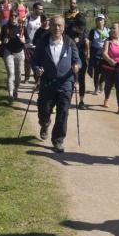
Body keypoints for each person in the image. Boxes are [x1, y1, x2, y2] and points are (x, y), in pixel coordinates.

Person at [31, 15, 81, 152]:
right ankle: (45, 123)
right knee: (44, 110)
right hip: (47, 82)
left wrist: (76, 66)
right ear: (50, 26)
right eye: (54, 25)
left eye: (59, 25)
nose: (57, 28)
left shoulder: (70, 43)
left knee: (63, 112)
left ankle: (58, 140)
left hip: (65, 83)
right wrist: (36, 69)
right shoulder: (43, 41)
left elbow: (78, 61)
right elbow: (34, 60)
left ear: (64, 27)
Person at [100, 21, 119, 114]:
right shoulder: (107, 41)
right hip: (109, 67)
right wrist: (110, 60)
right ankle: (106, 99)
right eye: (111, 28)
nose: (112, 30)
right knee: (108, 85)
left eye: (114, 28)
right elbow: (104, 53)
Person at [64, 0, 88, 109]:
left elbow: (85, 36)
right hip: (68, 48)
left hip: (80, 51)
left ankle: (81, 101)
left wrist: (87, 51)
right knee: (69, 76)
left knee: (81, 76)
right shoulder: (66, 15)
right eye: (71, 2)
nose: (73, 4)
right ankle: (67, 99)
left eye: (74, 3)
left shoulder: (81, 17)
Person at [0, 10, 27, 101]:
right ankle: (10, 94)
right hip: (9, 53)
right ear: (9, 16)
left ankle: (15, 90)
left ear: (18, 17)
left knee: (18, 76)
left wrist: (23, 40)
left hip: (20, 53)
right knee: (11, 74)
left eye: (15, 16)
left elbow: (29, 40)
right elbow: (1, 37)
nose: (13, 17)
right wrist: (4, 40)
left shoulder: (22, 28)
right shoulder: (5, 27)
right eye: (12, 15)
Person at [85, 14, 110, 96]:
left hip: (105, 53)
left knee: (104, 72)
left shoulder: (108, 30)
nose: (100, 21)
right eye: (98, 20)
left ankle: (101, 85)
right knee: (96, 72)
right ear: (96, 21)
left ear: (104, 21)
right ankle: (96, 88)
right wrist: (88, 52)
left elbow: (111, 41)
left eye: (101, 19)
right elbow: (89, 42)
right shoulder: (93, 31)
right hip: (96, 53)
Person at [23, 2, 44, 83]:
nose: (41, 11)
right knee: (27, 62)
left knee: (37, 63)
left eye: (42, 9)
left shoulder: (42, 19)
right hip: (28, 44)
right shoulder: (28, 18)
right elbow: (23, 29)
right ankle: (27, 77)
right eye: (39, 9)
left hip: (39, 45)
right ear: (34, 9)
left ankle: (37, 80)